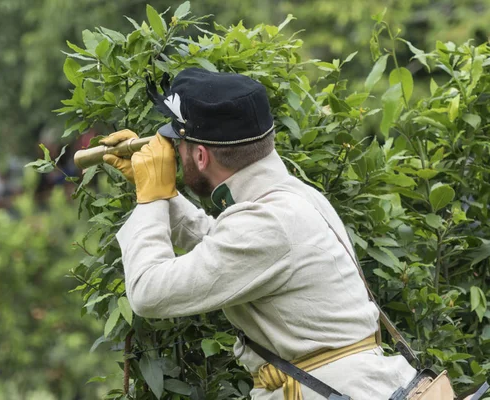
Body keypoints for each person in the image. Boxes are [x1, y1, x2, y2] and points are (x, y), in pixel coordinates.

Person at [100, 68, 417, 400]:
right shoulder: (290, 198)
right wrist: (158, 191)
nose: (176, 154)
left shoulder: (267, 223)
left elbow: (147, 292)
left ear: (201, 156)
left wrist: (150, 199)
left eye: (179, 145)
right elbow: (224, 248)